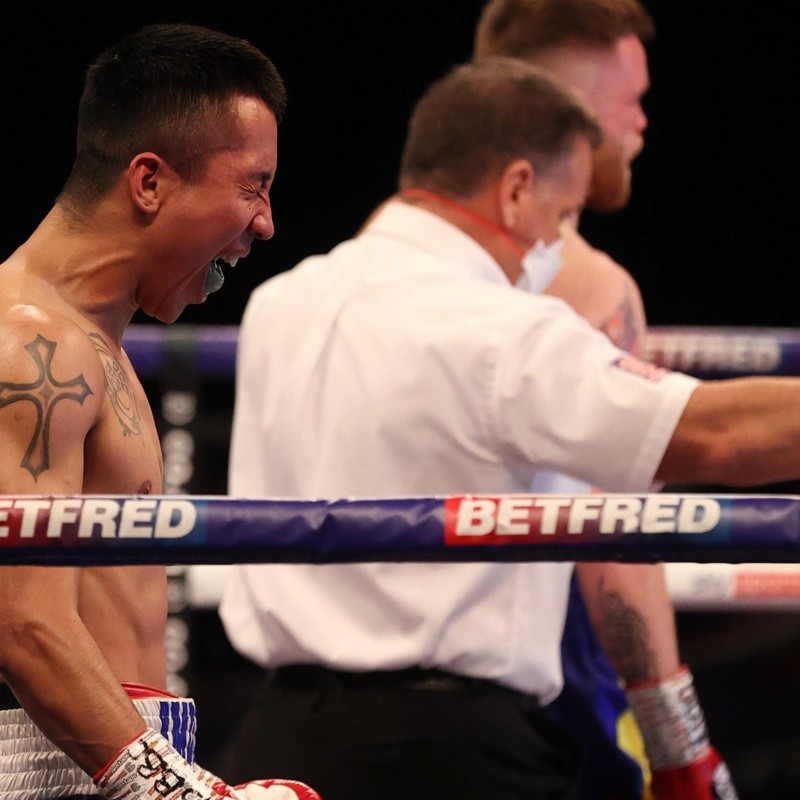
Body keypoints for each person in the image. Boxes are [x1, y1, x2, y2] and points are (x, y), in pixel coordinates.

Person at [216, 53, 796, 800]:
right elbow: (713, 433)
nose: (556, 248)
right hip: (454, 758)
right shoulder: (503, 331)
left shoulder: (281, 303)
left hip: (279, 741)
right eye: (560, 218)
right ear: (517, 189)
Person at [0, 22, 320, 800]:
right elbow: (23, 622)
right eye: (253, 186)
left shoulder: (97, 350)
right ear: (149, 181)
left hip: (111, 759)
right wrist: (183, 793)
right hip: (60, 765)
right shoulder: (29, 347)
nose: (266, 224)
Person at [473, 3, 735, 799]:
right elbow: (613, 536)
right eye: (630, 100)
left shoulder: (402, 275)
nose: (643, 121)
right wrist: (679, 740)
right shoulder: (592, 286)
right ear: (576, 111)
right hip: (553, 667)